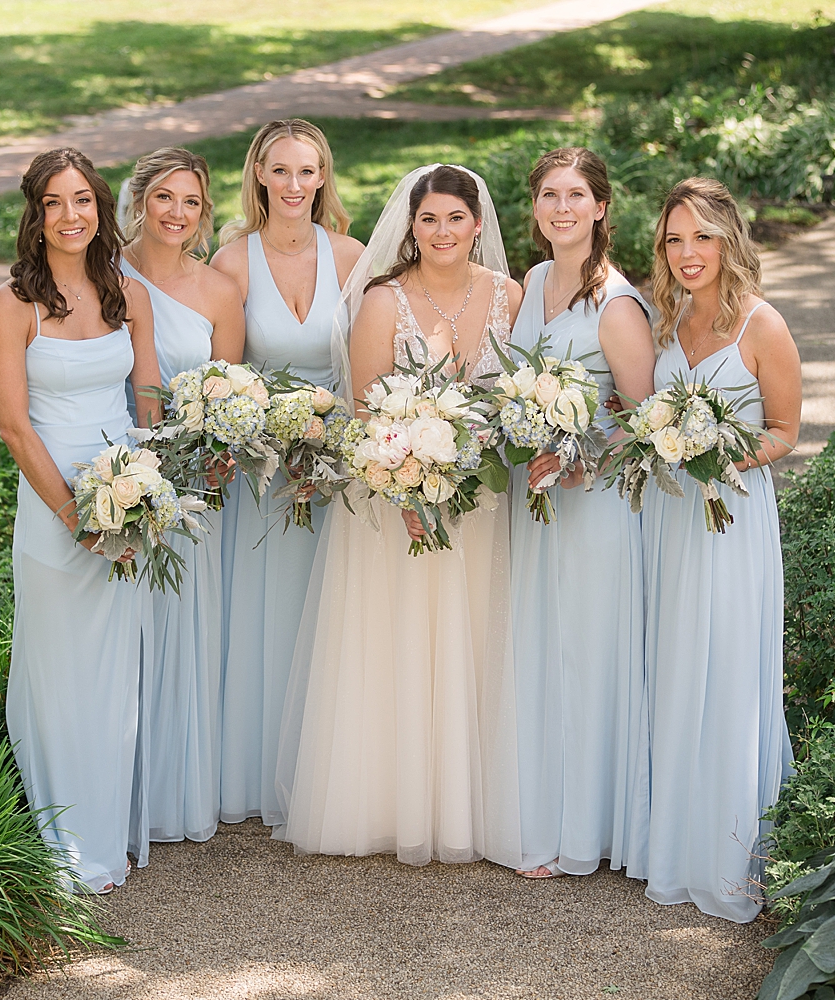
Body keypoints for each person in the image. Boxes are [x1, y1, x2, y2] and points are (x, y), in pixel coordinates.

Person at [274, 164, 525, 867]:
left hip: (482, 510)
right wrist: (407, 489)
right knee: (403, 644)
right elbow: (360, 415)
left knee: (474, 643)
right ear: (410, 229)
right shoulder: (385, 301)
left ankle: (470, 806)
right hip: (397, 510)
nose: (441, 232)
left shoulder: (510, 294)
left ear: (479, 223)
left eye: (454, 218)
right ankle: (394, 804)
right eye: (428, 220)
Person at [0, 146, 161, 894]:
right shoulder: (11, 304)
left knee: (113, 674)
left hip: (127, 502)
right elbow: (15, 428)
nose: (70, 216)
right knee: (58, 672)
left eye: (82, 200)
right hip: (53, 505)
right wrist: (74, 517)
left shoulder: (128, 293)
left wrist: (150, 488)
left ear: (100, 209)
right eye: (54, 203)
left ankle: (106, 828)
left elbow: (147, 401)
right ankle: (61, 835)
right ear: (35, 214)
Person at [632, 177, 800, 922]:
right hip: (670, 520)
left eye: (701, 236)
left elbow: (786, 432)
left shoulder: (763, 326)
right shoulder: (663, 321)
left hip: (729, 516)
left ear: (729, 239)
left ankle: (730, 853)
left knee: (726, 668)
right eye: (674, 239)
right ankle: (670, 842)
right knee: (672, 665)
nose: (688, 252)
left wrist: (722, 453)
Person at [211, 120, 365, 828]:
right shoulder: (232, 261)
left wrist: (335, 442)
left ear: (324, 177)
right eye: (282, 171)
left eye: (308, 171)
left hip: (333, 466)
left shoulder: (354, 256)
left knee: (326, 610)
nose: (295, 185)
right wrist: (270, 430)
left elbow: (364, 367)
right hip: (262, 467)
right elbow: (226, 375)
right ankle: (256, 771)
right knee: (267, 611)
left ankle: (325, 772)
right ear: (260, 176)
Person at [508, 148, 656, 880]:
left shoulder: (617, 305)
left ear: (601, 208)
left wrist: (581, 457)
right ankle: (544, 811)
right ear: (534, 207)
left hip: (593, 507)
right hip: (534, 499)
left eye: (576, 195)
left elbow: (645, 419)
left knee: (587, 655)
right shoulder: (532, 281)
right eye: (548, 195)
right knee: (542, 648)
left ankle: (590, 830)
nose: (561, 208)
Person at [116, 147, 246, 858]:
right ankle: (121, 785)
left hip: (196, 486)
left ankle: (175, 790)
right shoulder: (106, 276)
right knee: (125, 627)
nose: (176, 213)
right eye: (164, 197)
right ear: (139, 200)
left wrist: (224, 446)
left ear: (204, 211)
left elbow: (233, 388)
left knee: (185, 629)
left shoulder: (219, 289)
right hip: (118, 472)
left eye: (190, 202)